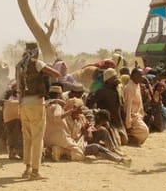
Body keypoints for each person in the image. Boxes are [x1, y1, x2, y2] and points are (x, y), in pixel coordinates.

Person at [16, 42, 60, 181]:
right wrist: (46, 67)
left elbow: (18, 87)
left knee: (27, 137)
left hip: (23, 104)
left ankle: (27, 168)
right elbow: (57, 74)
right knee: (37, 138)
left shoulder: (19, 66)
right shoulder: (37, 63)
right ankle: (35, 171)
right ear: (35, 52)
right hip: (36, 104)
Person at [44, 97, 130, 166]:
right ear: (72, 109)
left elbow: (89, 134)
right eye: (79, 109)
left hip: (82, 141)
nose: (81, 111)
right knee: (96, 148)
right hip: (74, 144)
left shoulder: (81, 117)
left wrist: (88, 130)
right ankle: (119, 159)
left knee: (103, 131)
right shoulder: (64, 120)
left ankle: (114, 150)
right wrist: (86, 132)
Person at [87, 68, 128, 146]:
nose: (117, 79)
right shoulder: (101, 91)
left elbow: (120, 107)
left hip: (118, 122)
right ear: (108, 80)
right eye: (114, 78)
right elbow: (89, 103)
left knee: (124, 140)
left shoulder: (117, 91)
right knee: (118, 142)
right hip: (108, 122)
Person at [123, 68, 149, 146]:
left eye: (142, 75)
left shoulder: (137, 85)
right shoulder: (129, 88)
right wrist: (128, 124)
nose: (142, 77)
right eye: (140, 75)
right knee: (144, 131)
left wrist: (142, 114)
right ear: (133, 76)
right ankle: (130, 136)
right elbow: (128, 107)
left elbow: (140, 103)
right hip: (131, 117)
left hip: (138, 115)